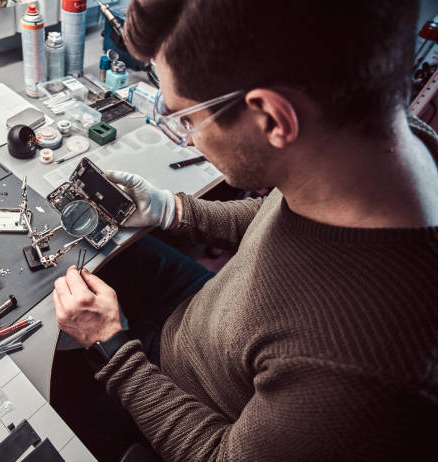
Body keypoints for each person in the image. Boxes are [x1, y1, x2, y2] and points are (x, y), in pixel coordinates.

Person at [51, 1, 438, 460]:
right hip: (213, 316)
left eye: (187, 119)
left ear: (272, 119)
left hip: (191, 396)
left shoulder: (358, 362)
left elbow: (220, 455)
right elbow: (278, 216)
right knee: (113, 253)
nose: (188, 138)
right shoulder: (379, 144)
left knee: (51, 387)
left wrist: (112, 347)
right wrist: (170, 209)